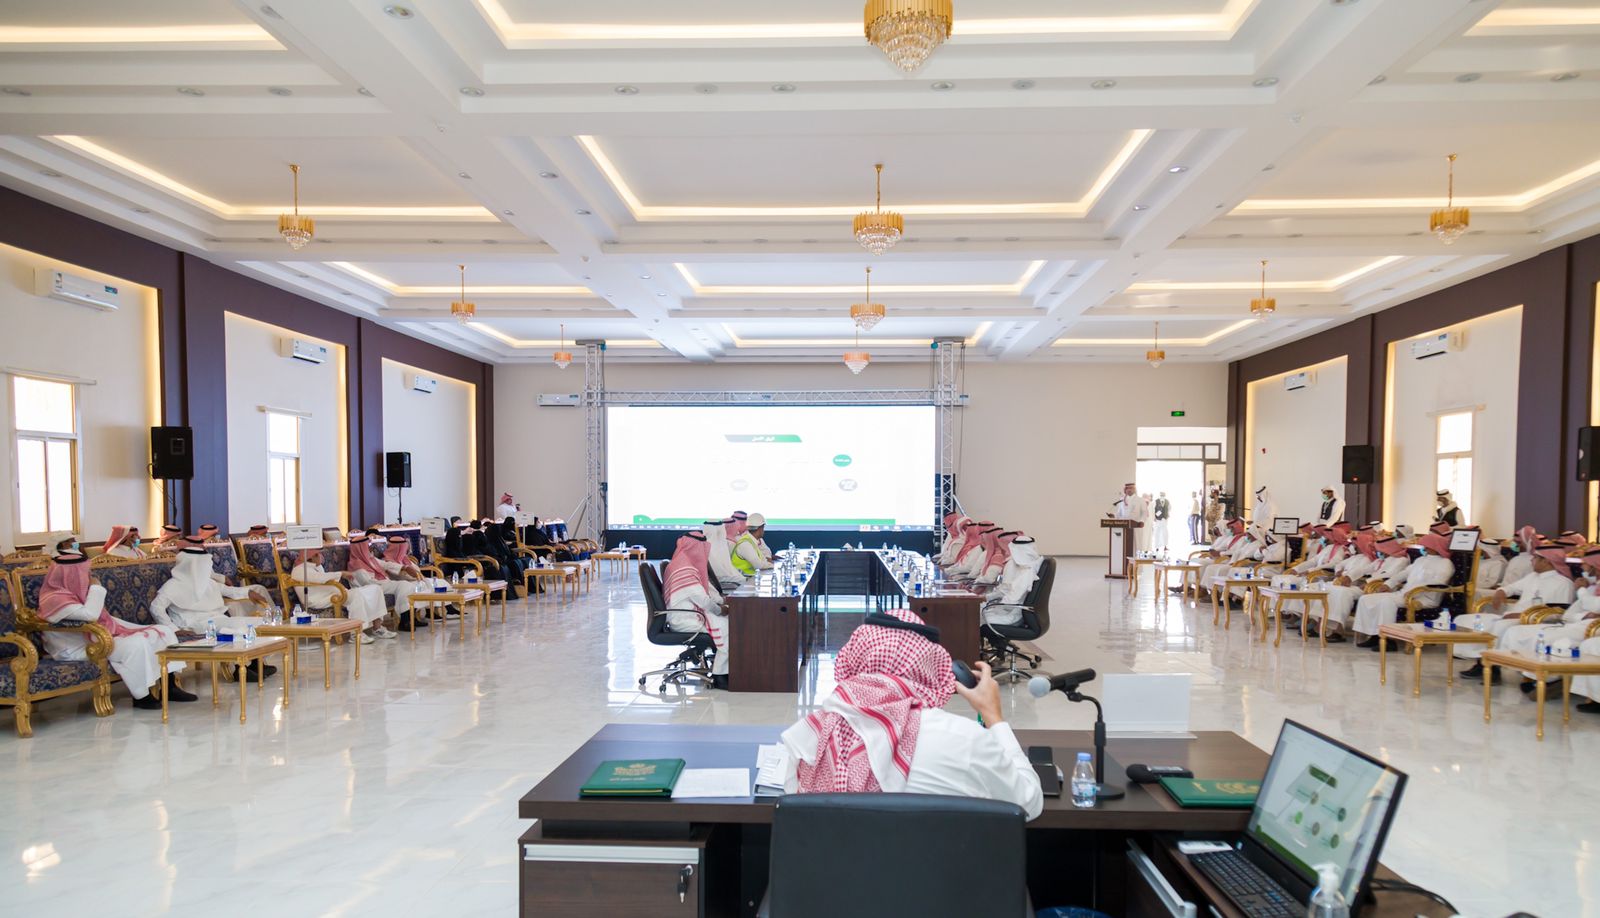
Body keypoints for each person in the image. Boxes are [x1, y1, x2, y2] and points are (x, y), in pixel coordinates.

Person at [777, 609, 1042, 820]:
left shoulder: (810, 740)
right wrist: (994, 718)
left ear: (852, 660)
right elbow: (1027, 803)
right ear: (932, 668)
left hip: (832, 874)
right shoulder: (965, 739)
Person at [37, 552, 194, 709]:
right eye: (84, 572)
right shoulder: (54, 599)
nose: (88, 576)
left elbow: (105, 619)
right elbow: (90, 615)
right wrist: (96, 587)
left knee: (163, 631)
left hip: (97, 638)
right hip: (76, 648)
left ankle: (169, 687)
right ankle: (142, 696)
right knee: (136, 644)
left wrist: (137, 629)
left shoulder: (79, 592)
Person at [148, 547, 277, 680]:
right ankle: (240, 669)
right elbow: (156, 607)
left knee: (258, 623)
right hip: (193, 625)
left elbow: (229, 591)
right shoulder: (172, 585)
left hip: (217, 620)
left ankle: (256, 664)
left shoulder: (207, 583)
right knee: (237, 628)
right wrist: (173, 629)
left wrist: (248, 593)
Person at [1456, 546, 1579, 679]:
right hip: (1513, 616)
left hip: (1535, 620)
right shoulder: (1533, 577)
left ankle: (1491, 667)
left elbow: (1559, 612)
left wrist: (1524, 615)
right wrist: (1501, 591)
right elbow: (1512, 588)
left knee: (1500, 626)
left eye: (1535, 557)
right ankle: (1480, 659)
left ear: (1546, 561)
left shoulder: (1564, 583)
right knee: (1465, 620)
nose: (1531, 560)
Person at [1352, 534, 1457, 649]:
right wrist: (1388, 584)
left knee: (1386, 602)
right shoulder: (1420, 560)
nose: (1424, 548)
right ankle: (1374, 635)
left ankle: (1389, 640)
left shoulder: (1446, 563)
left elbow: (1439, 582)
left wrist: (1414, 591)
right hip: (1404, 594)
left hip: (1424, 598)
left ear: (1435, 546)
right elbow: (1403, 574)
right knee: (1366, 599)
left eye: (1427, 545)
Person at [662, 530, 730, 688]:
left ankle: (722, 665)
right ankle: (720, 675)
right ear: (695, 548)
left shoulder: (682, 563)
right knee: (726, 626)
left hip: (687, 614)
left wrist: (723, 602)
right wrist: (722, 610)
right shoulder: (685, 570)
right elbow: (704, 601)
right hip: (685, 619)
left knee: (725, 620)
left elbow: (706, 592)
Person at [290, 549, 391, 641]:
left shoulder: (315, 567)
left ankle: (377, 628)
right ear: (312, 557)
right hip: (321, 599)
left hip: (336, 594)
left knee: (376, 589)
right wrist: (341, 573)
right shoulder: (299, 569)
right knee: (355, 595)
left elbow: (324, 578)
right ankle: (356, 634)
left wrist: (337, 575)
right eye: (318, 554)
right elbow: (320, 579)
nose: (321, 556)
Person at [981, 536, 1042, 627]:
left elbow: (1011, 599)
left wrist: (990, 601)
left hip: (1013, 614)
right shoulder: (1035, 564)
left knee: (976, 616)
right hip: (1016, 611)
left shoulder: (1026, 570)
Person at [702, 518, 745, 590]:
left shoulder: (722, 543)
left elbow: (727, 568)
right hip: (718, 583)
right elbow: (718, 575)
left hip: (728, 579)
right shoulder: (706, 547)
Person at [1112, 484, 1150, 553]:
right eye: (1127, 488)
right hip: (1123, 526)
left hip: (1135, 526)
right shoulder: (1122, 500)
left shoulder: (1140, 500)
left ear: (1134, 490)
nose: (1129, 490)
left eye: (1131, 488)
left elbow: (1144, 513)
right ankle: (1124, 558)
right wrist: (1114, 515)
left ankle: (1136, 559)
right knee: (1123, 545)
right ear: (1125, 490)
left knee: (1135, 545)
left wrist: (1142, 521)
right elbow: (1119, 513)